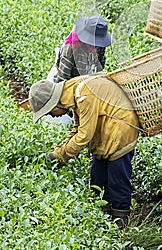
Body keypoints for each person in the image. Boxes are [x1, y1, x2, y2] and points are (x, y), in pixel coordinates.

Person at [29, 75, 140, 228]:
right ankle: (104, 219)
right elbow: (77, 128)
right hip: (105, 130)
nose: (52, 117)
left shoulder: (83, 94)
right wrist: (59, 150)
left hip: (121, 128)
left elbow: (84, 135)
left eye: (49, 113)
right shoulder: (74, 93)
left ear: (54, 104)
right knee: (97, 179)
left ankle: (121, 221)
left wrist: (61, 155)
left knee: (117, 178)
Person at [52, 15, 112, 83]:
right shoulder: (70, 50)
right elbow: (61, 80)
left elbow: (100, 65)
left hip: (85, 74)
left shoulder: (100, 45)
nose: (95, 46)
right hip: (67, 81)